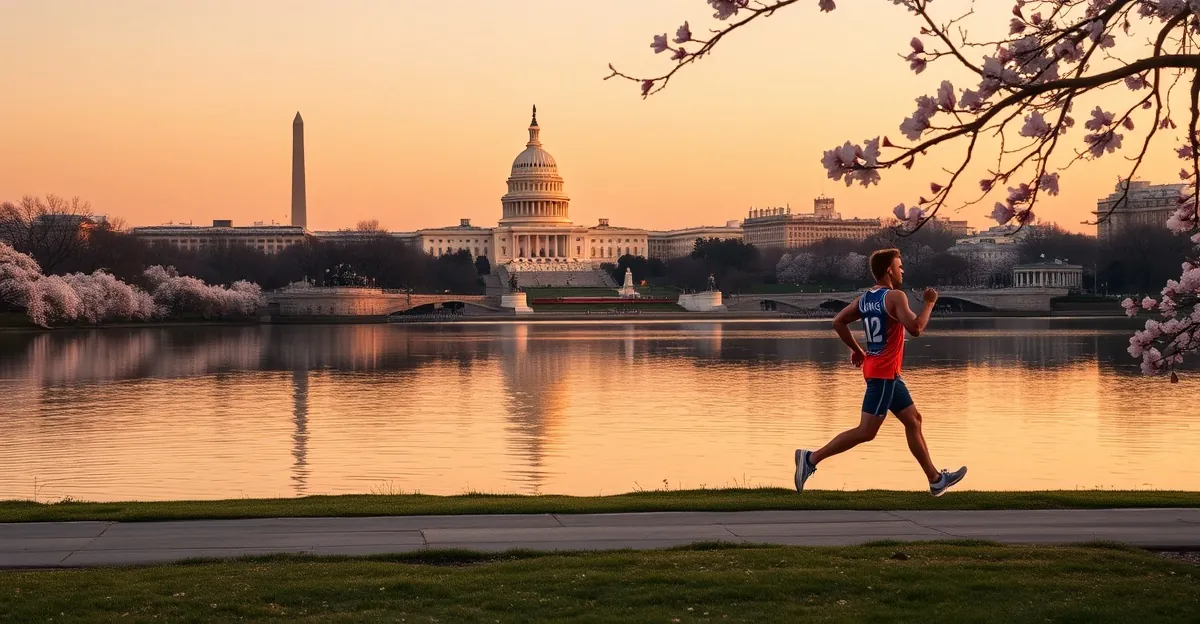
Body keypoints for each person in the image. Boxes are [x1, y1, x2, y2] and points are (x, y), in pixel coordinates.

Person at [794, 248, 967, 497]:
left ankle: (936, 480)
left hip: (885, 373)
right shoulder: (895, 296)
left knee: (914, 420)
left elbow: (838, 322)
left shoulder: (865, 298)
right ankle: (811, 459)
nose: (902, 270)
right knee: (866, 431)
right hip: (883, 374)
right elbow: (916, 328)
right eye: (899, 266)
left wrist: (857, 351)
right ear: (889, 270)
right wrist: (929, 303)